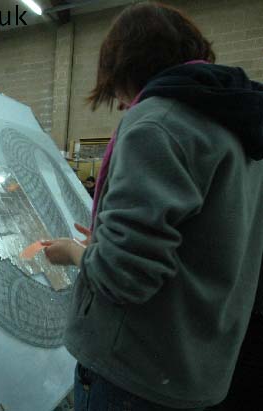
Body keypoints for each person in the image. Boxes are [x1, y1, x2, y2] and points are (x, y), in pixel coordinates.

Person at [42, 2, 263, 411]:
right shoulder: (237, 128)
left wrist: (76, 253)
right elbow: (205, 244)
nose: (124, 105)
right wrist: (113, 241)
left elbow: (122, 277)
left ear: (122, 67)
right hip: (196, 368)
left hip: (135, 373)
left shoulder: (157, 124)